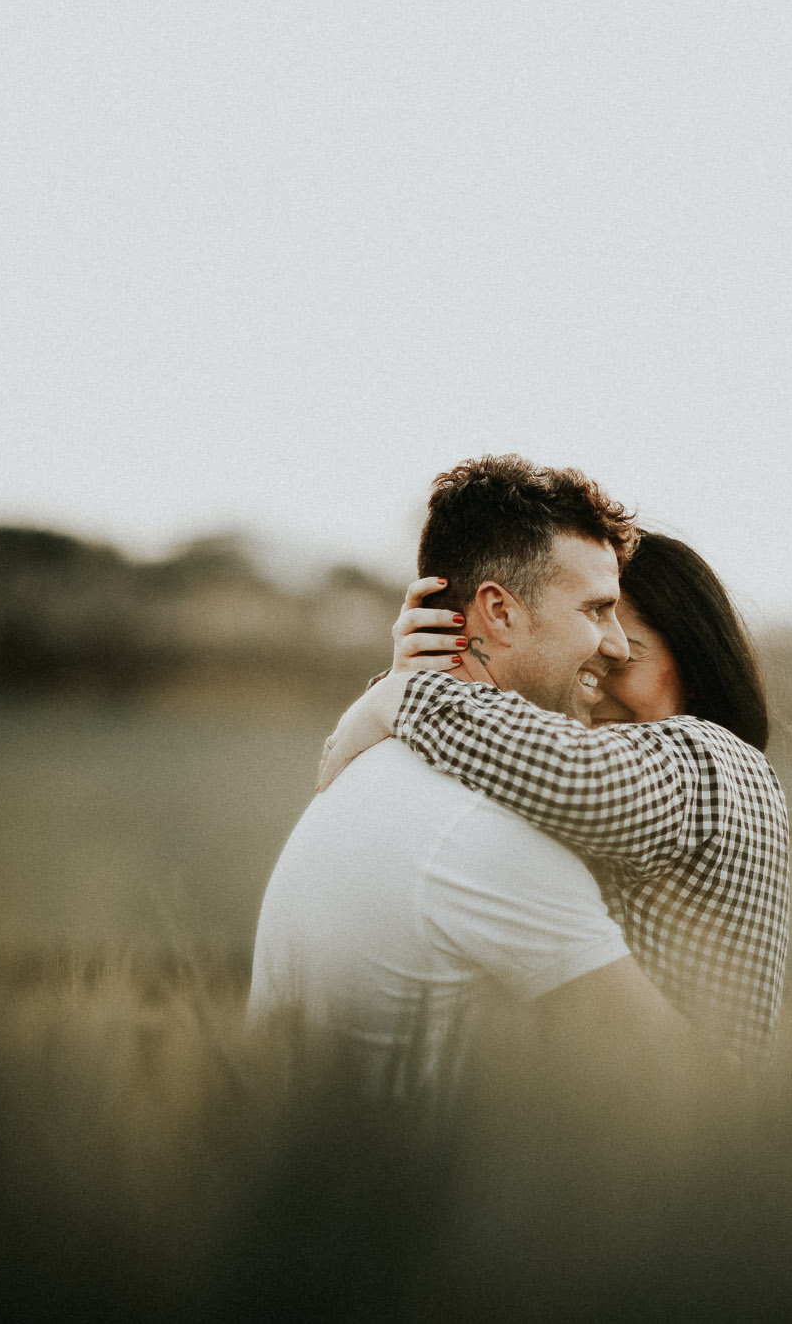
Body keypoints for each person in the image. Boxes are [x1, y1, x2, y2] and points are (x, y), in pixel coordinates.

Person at [248, 456, 687, 1091]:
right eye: (596, 610)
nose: (616, 644)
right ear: (500, 613)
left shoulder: (381, 764)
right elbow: (683, 1081)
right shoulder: (483, 830)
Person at [318, 532, 790, 1058]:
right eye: (585, 662)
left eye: (623, 661)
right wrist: (445, 661)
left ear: (697, 667)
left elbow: (578, 776)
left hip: (692, 1126)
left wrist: (405, 693)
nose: (593, 685)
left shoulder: (713, 764)